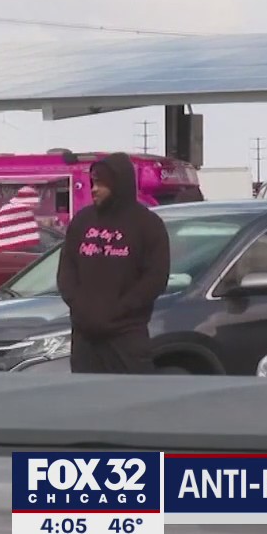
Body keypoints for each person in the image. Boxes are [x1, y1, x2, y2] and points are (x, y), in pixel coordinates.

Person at [57, 153, 171, 374]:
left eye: (101, 184)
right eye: (93, 183)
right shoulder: (82, 221)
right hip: (85, 339)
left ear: (118, 184)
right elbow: (67, 270)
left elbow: (155, 278)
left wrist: (121, 309)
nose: (94, 190)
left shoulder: (147, 224)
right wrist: (80, 306)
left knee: (130, 394)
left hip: (126, 336)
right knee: (85, 394)